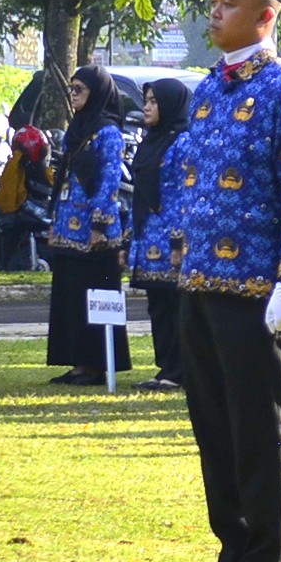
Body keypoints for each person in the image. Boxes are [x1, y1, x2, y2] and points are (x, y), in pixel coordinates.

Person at [162, 0, 281, 562]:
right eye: (214, 0)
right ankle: (230, 551)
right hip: (202, 284)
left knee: (260, 425)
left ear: (266, 15)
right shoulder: (206, 91)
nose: (215, 11)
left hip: (259, 289)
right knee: (214, 425)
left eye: (227, 2)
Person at [44, 64, 129, 386]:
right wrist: (54, 220)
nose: (74, 95)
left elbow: (109, 182)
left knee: (93, 294)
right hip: (68, 225)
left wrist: (98, 224)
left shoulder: (108, 132)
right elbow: (63, 178)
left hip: (95, 232)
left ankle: (97, 365)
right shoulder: (76, 129)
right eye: (72, 89)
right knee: (69, 297)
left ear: (98, 93)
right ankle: (78, 362)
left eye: (80, 89)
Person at [121, 76, 191, 390]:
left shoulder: (183, 141)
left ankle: (181, 371)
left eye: (153, 102)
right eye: (146, 101)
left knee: (177, 306)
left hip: (170, 238)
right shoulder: (151, 140)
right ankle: (166, 369)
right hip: (148, 234)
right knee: (158, 305)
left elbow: (182, 195)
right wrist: (127, 240)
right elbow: (138, 194)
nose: (147, 107)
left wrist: (179, 241)